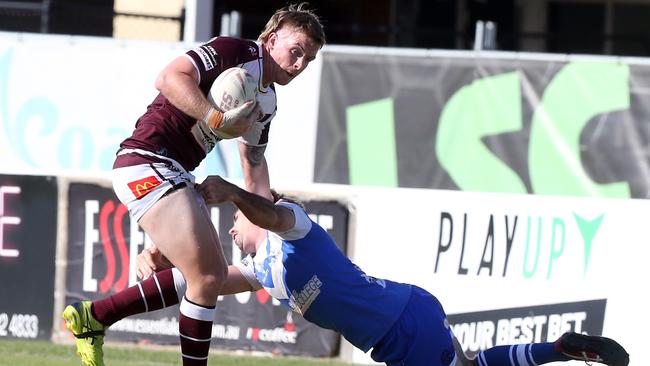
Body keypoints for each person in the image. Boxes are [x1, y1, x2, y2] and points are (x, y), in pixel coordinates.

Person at [61, 3, 325, 366]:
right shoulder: (234, 51)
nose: (298, 65)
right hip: (147, 159)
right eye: (296, 52)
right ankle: (99, 319)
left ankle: (95, 316)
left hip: (175, 172)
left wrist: (265, 216)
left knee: (203, 276)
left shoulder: (267, 100)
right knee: (209, 275)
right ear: (272, 37)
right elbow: (169, 78)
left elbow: (253, 163)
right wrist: (215, 117)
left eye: (307, 60)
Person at [133, 176, 628, 366]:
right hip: (405, 320)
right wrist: (161, 258)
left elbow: (268, 213)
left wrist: (238, 194)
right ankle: (561, 348)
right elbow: (206, 282)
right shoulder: (265, 269)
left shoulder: (297, 229)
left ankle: (561, 349)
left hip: (402, 323)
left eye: (237, 217)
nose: (232, 224)